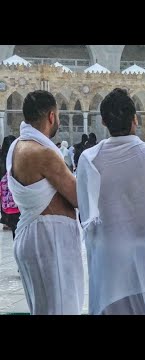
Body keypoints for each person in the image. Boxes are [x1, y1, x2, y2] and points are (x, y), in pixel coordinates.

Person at [77, 88, 145, 315]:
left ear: (103, 121)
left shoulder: (89, 159)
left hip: (109, 261)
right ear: (135, 119)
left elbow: (87, 218)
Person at [6, 90, 83, 315]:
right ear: (51, 116)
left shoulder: (18, 146)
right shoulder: (42, 153)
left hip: (37, 238)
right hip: (48, 242)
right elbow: (78, 196)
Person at [0, 135, 20, 237]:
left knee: (13, 226)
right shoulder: (18, 157)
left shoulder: (1, 158)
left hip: (5, 199)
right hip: (18, 199)